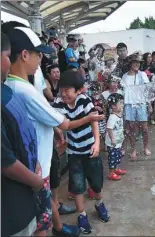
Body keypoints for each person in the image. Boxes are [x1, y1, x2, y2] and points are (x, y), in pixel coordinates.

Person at [4, 26, 104, 236]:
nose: (40, 60)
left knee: (44, 211)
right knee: (42, 221)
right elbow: (64, 123)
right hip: (36, 168)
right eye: (38, 54)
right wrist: (88, 118)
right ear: (24, 55)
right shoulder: (26, 91)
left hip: (33, 164)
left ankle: (59, 226)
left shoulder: (11, 86)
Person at [52, 70, 110, 234]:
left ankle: (99, 204)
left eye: (67, 90)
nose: (63, 94)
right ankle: (82, 215)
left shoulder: (84, 100)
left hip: (91, 150)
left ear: (78, 90)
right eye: (61, 90)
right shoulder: (58, 103)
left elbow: (94, 122)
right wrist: (57, 129)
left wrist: (97, 144)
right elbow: (58, 120)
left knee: (96, 183)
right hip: (74, 153)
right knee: (77, 186)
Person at [1, 32, 44, 237]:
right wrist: (36, 182)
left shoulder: (6, 90)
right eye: (7, 56)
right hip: (12, 204)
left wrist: (34, 161)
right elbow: (6, 163)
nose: (9, 62)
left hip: (25, 191)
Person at [121, 54, 152, 160]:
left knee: (144, 128)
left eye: (138, 63)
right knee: (131, 129)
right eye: (135, 62)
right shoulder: (124, 77)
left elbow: (147, 90)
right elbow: (123, 93)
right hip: (129, 105)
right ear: (130, 64)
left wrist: (149, 104)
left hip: (141, 104)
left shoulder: (142, 74)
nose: (137, 64)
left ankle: (146, 147)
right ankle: (133, 149)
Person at [105, 93, 126, 180]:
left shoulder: (118, 115)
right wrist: (113, 139)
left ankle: (116, 169)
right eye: (120, 103)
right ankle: (111, 173)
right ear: (113, 106)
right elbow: (109, 129)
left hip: (118, 142)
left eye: (122, 103)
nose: (122, 105)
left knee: (117, 156)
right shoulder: (112, 117)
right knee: (112, 158)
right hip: (112, 143)